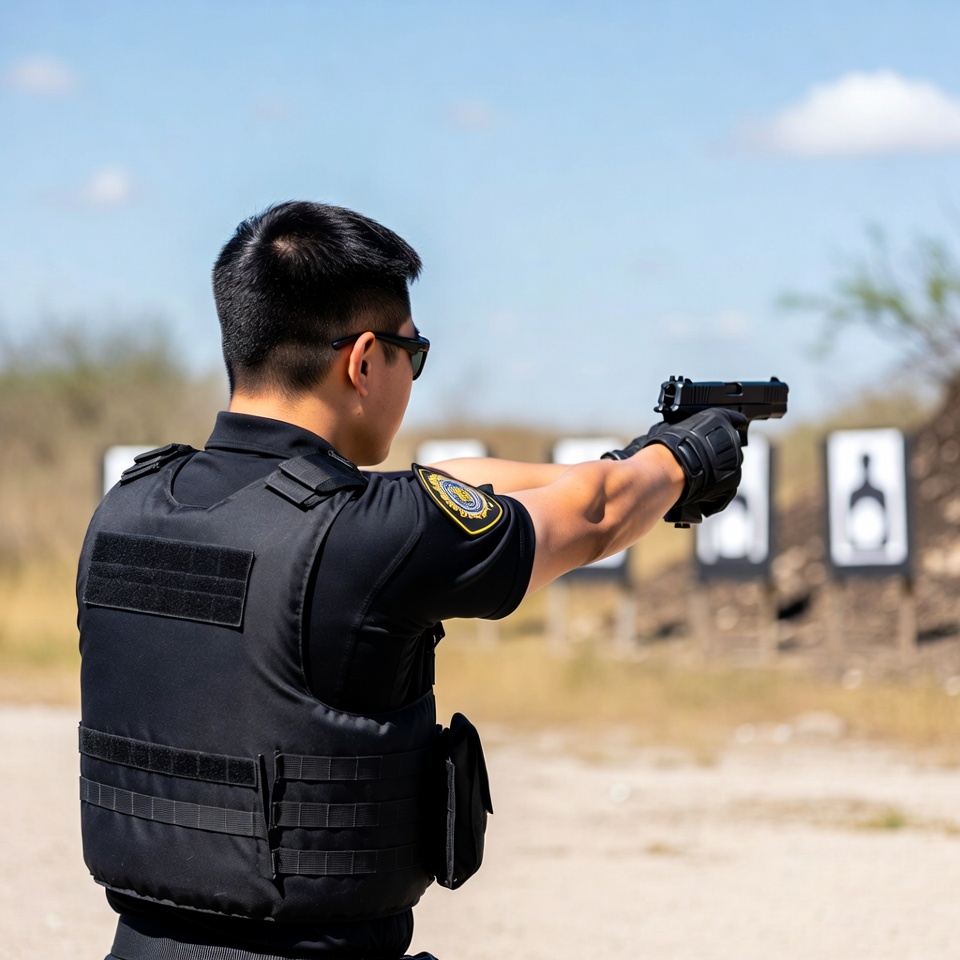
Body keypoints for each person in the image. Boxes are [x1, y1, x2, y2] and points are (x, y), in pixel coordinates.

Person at [76, 201, 745, 960]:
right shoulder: (369, 535)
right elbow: (595, 515)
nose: (413, 376)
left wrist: (627, 459)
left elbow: (435, 487)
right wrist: (689, 456)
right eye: (412, 354)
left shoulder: (128, 510)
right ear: (364, 360)